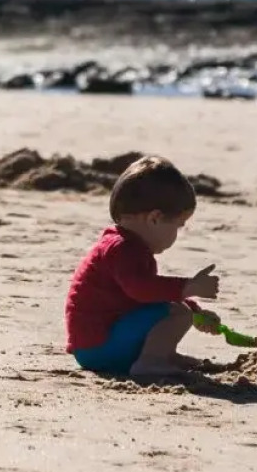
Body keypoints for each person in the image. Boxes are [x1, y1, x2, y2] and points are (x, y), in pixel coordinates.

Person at [65, 155, 224, 379]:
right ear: (155, 218)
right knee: (177, 314)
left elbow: (147, 295)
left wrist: (195, 311)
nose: (177, 234)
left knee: (180, 311)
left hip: (97, 344)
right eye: (178, 226)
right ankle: (152, 362)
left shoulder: (125, 245)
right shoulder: (123, 248)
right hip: (99, 347)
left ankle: (163, 355)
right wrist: (189, 287)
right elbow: (141, 290)